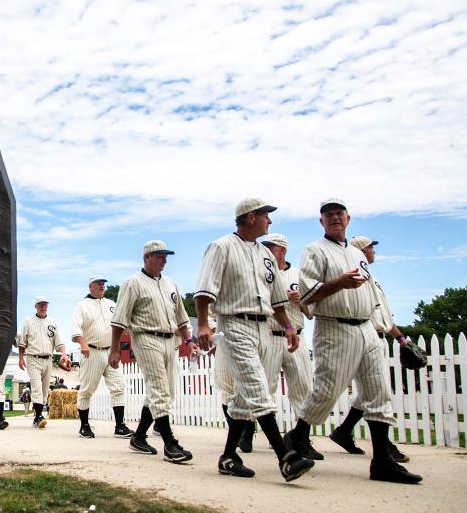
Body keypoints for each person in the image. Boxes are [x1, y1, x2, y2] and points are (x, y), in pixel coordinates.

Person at [285, 199, 421, 484]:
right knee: (326, 390)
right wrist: (339, 283)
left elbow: (372, 295)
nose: (334, 218)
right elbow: (308, 296)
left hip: (367, 328)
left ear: (348, 219)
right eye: (328, 215)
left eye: (339, 214)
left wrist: (393, 333)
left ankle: (382, 462)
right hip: (335, 327)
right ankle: (297, 438)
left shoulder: (357, 254)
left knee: (378, 392)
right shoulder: (314, 251)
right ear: (320, 222)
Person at [195, 199, 315, 482]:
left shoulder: (265, 254)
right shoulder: (221, 247)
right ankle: (286, 457)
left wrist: (287, 326)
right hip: (234, 323)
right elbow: (203, 291)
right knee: (258, 388)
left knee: (243, 398)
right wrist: (202, 324)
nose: (269, 222)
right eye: (265, 216)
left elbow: (276, 297)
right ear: (250, 218)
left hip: (264, 326)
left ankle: (228, 456)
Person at [108, 240, 195, 464]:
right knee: (159, 389)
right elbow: (119, 320)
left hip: (170, 340)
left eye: (166, 257)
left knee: (165, 390)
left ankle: (138, 437)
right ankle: (169, 443)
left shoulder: (170, 284)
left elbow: (182, 317)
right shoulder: (132, 283)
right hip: (146, 337)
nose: (164, 260)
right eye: (159, 256)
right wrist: (115, 349)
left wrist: (189, 340)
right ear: (146, 257)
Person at [328, 236, 410, 463]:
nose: (373, 251)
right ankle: (385, 447)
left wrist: (401, 338)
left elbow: (384, 315)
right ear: (361, 252)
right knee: (376, 391)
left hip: (377, 337)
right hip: (364, 336)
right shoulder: (357, 278)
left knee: (371, 392)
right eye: (370, 248)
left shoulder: (372, 278)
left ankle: (343, 432)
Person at [258, 233, 322, 460]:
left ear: (282, 250)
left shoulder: (299, 276)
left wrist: (299, 300)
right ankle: (250, 431)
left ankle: (302, 439)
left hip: (297, 335)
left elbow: (311, 311)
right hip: (270, 335)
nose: (266, 251)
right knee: (265, 388)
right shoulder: (262, 275)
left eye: (271, 248)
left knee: (302, 387)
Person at [72, 276, 133, 439]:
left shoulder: (111, 304)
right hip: (91, 351)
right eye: (98, 283)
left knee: (118, 386)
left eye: (103, 283)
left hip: (110, 351)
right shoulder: (82, 306)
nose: (102, 285)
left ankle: (120, 426)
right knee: (87, 390)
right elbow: (75, 328)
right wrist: (82, 343)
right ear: (90, 287)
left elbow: (120, 323)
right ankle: (84, 426)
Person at [18, 297, 69, 428]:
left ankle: (38, 414)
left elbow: (59, 342)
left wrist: (64, 354)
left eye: (45, 304)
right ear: (35, 306)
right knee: (36, 388)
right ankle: (38, 417)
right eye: (40, 304)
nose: (43, 306)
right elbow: (22, 342)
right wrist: (20, 357)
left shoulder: (52, 322)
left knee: (45, 391)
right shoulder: (28, 322)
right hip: (32, 358)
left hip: (48, 359)